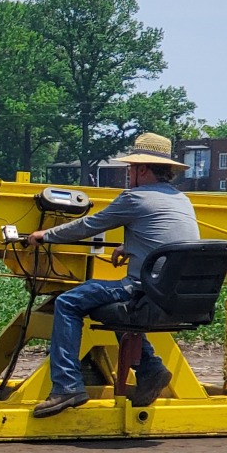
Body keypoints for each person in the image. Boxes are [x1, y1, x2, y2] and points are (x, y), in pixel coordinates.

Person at [26, 132, 200, 418]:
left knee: (68, 302)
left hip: (145, 292)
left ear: (142, 169)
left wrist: (45, 235)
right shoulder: (182, 200)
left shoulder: (134, 197)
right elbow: (167, 238)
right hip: (175, 296)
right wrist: (130, 246)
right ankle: (150, 368)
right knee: (114, 304)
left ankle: (67, 386)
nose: (128, 173)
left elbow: (88, 226)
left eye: (130, 168)